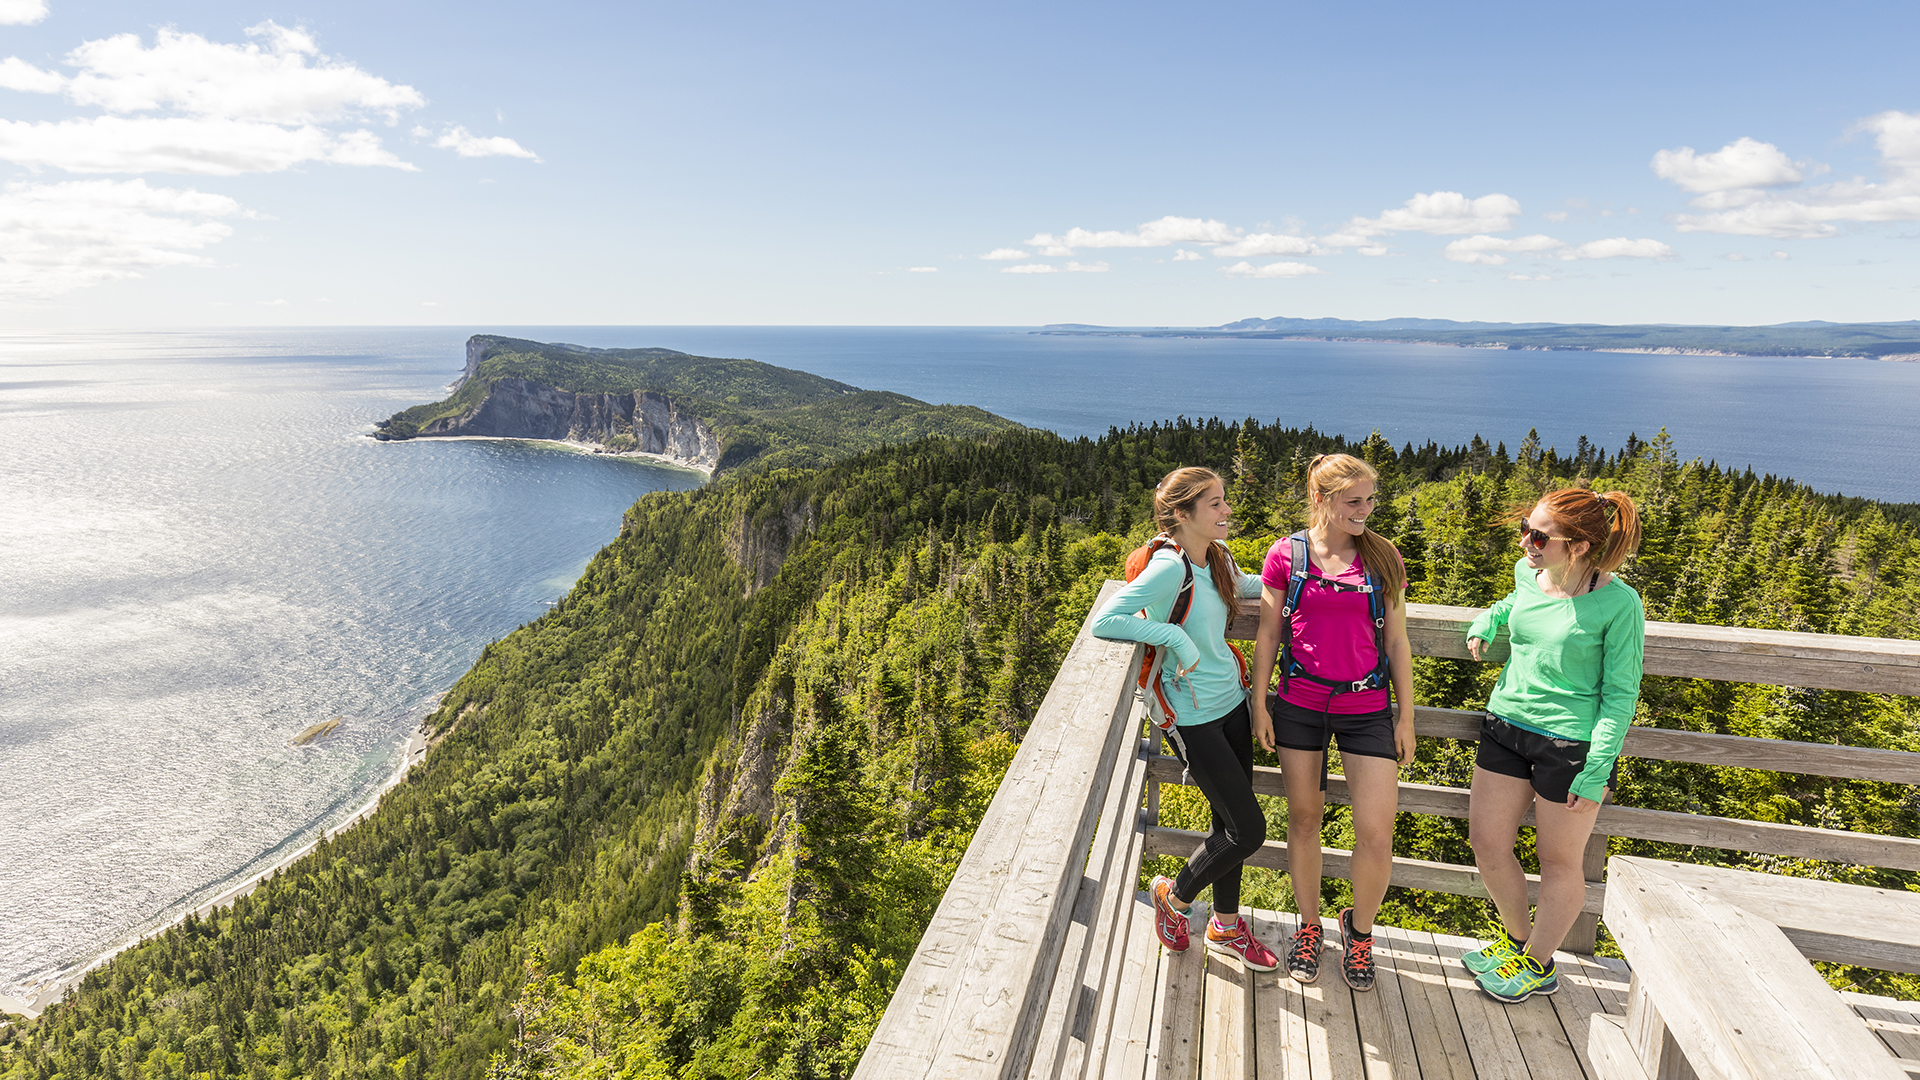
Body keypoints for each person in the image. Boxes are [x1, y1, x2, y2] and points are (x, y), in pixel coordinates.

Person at [1461, 486, 1644, 1003]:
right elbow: (1518, 602)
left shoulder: (1619, 604)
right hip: (1505, 727)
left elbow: (1620, 694)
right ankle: (1518, 943)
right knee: (1488, 844)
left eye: (1539, 535)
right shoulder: (1529, 574)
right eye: (1525, 527)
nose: (1526, 541)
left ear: (1580, 547)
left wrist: (1597, 768)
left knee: (1559, 863)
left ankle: (1540, 965)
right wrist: (1489, 619)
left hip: (1572, 746)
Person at [1092, 466, 1278, 971]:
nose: (1227, 510)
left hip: (1231, 701)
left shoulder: (1215, 556)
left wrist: (1305, 581)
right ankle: (1173, 900)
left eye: (1224, 500)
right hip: (1190, 713)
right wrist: (1173, 638)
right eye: (1215, 503)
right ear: (1182, 513)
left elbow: (1249, 586)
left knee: (1229, 821)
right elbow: (1106, 621)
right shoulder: (1170, 567)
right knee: (1249, 830)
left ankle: (1225, 924)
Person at [1250, 453, 1414, 991]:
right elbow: (1269, 634)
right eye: (1353, 502)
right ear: (1321, 499)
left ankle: (1360, 933)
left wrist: (1406, 717)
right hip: (1299, 702)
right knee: (1303, 819)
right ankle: (1309, 926)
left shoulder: (1383, 558)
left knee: (1375, 831)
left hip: (1366, 708)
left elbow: (1396, 641)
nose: (1365, 511)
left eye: (1369, 500)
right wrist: (1259, 703)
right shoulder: (1286, 554)